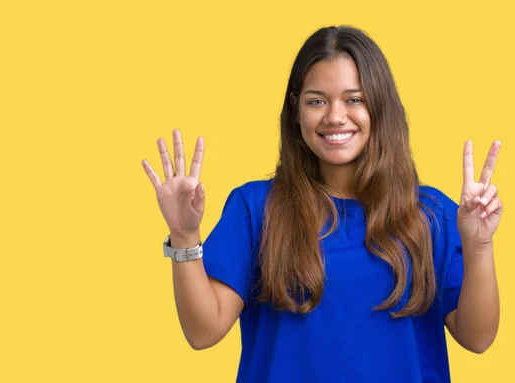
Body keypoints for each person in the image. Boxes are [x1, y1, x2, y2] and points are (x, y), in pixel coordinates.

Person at [141, 25, 502, 383]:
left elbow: (478, 337)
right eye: (317, 100)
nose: (334, 116)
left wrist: (479, 244)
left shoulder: (433, 215)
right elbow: (203, 332)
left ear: (380, 107)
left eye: (354, 99)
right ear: (296, 112)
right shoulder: (255, 208)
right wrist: (184, 236)